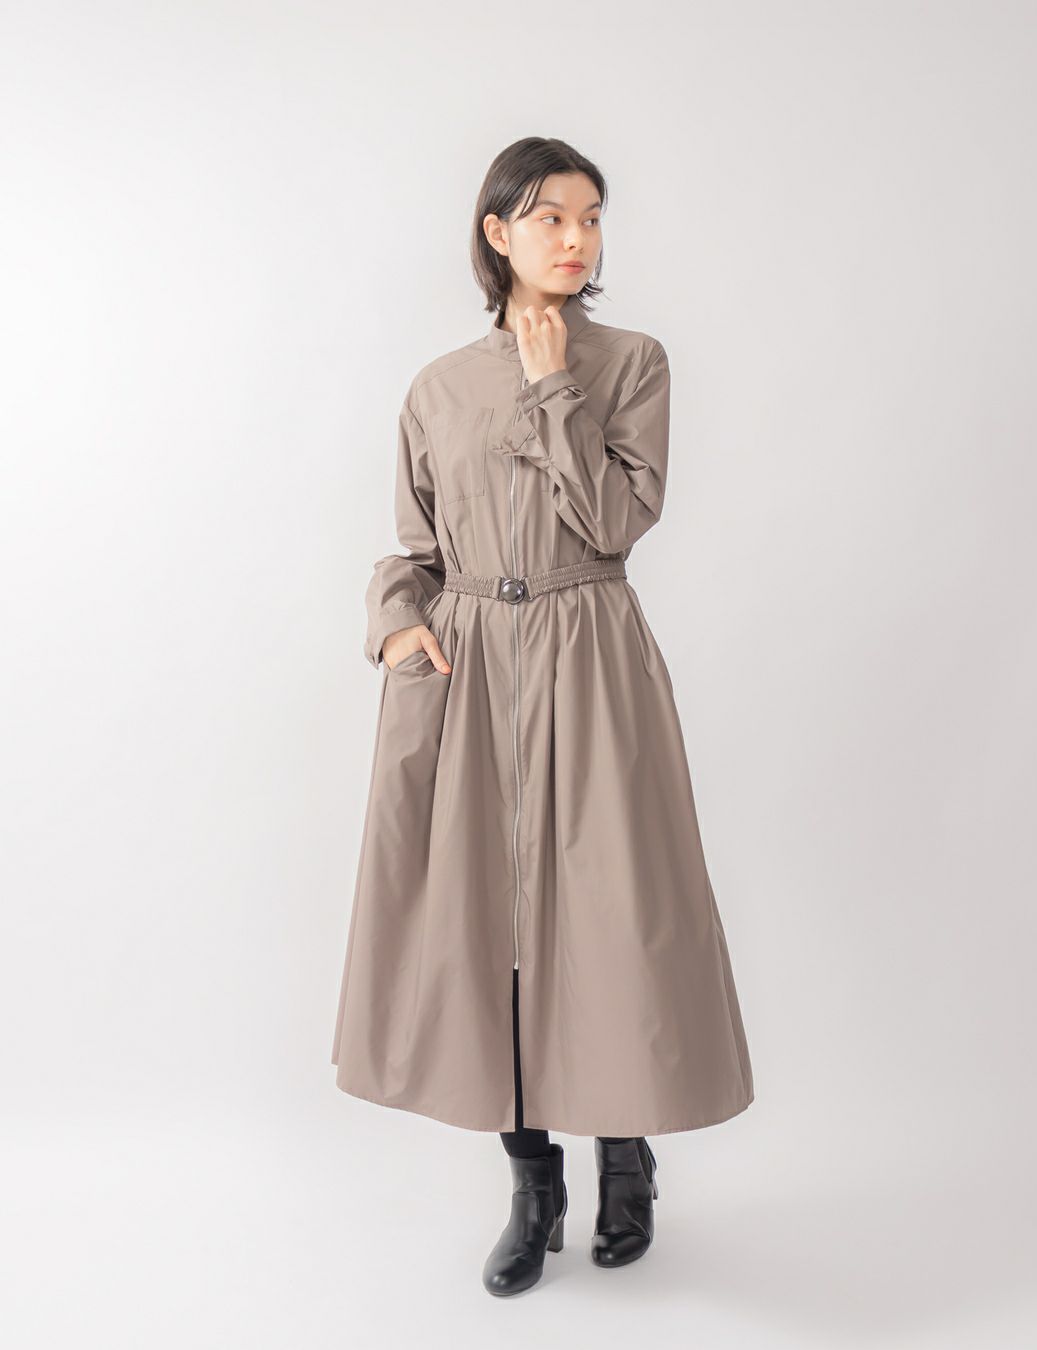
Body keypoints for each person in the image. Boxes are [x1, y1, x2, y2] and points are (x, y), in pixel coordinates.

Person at [331, 136, 754, 1297]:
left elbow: (615, 523)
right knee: (486, 928)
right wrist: (395, 622)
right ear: (497, 232)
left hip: (589, 653)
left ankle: (625, 1159)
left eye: (593, 218)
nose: (578, 239)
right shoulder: (435, 388)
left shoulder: (632, 363)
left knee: (612, 916)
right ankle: (534, 1187)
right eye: (552, 217)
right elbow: (415, 547)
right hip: (468, 669)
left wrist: (555, 382)